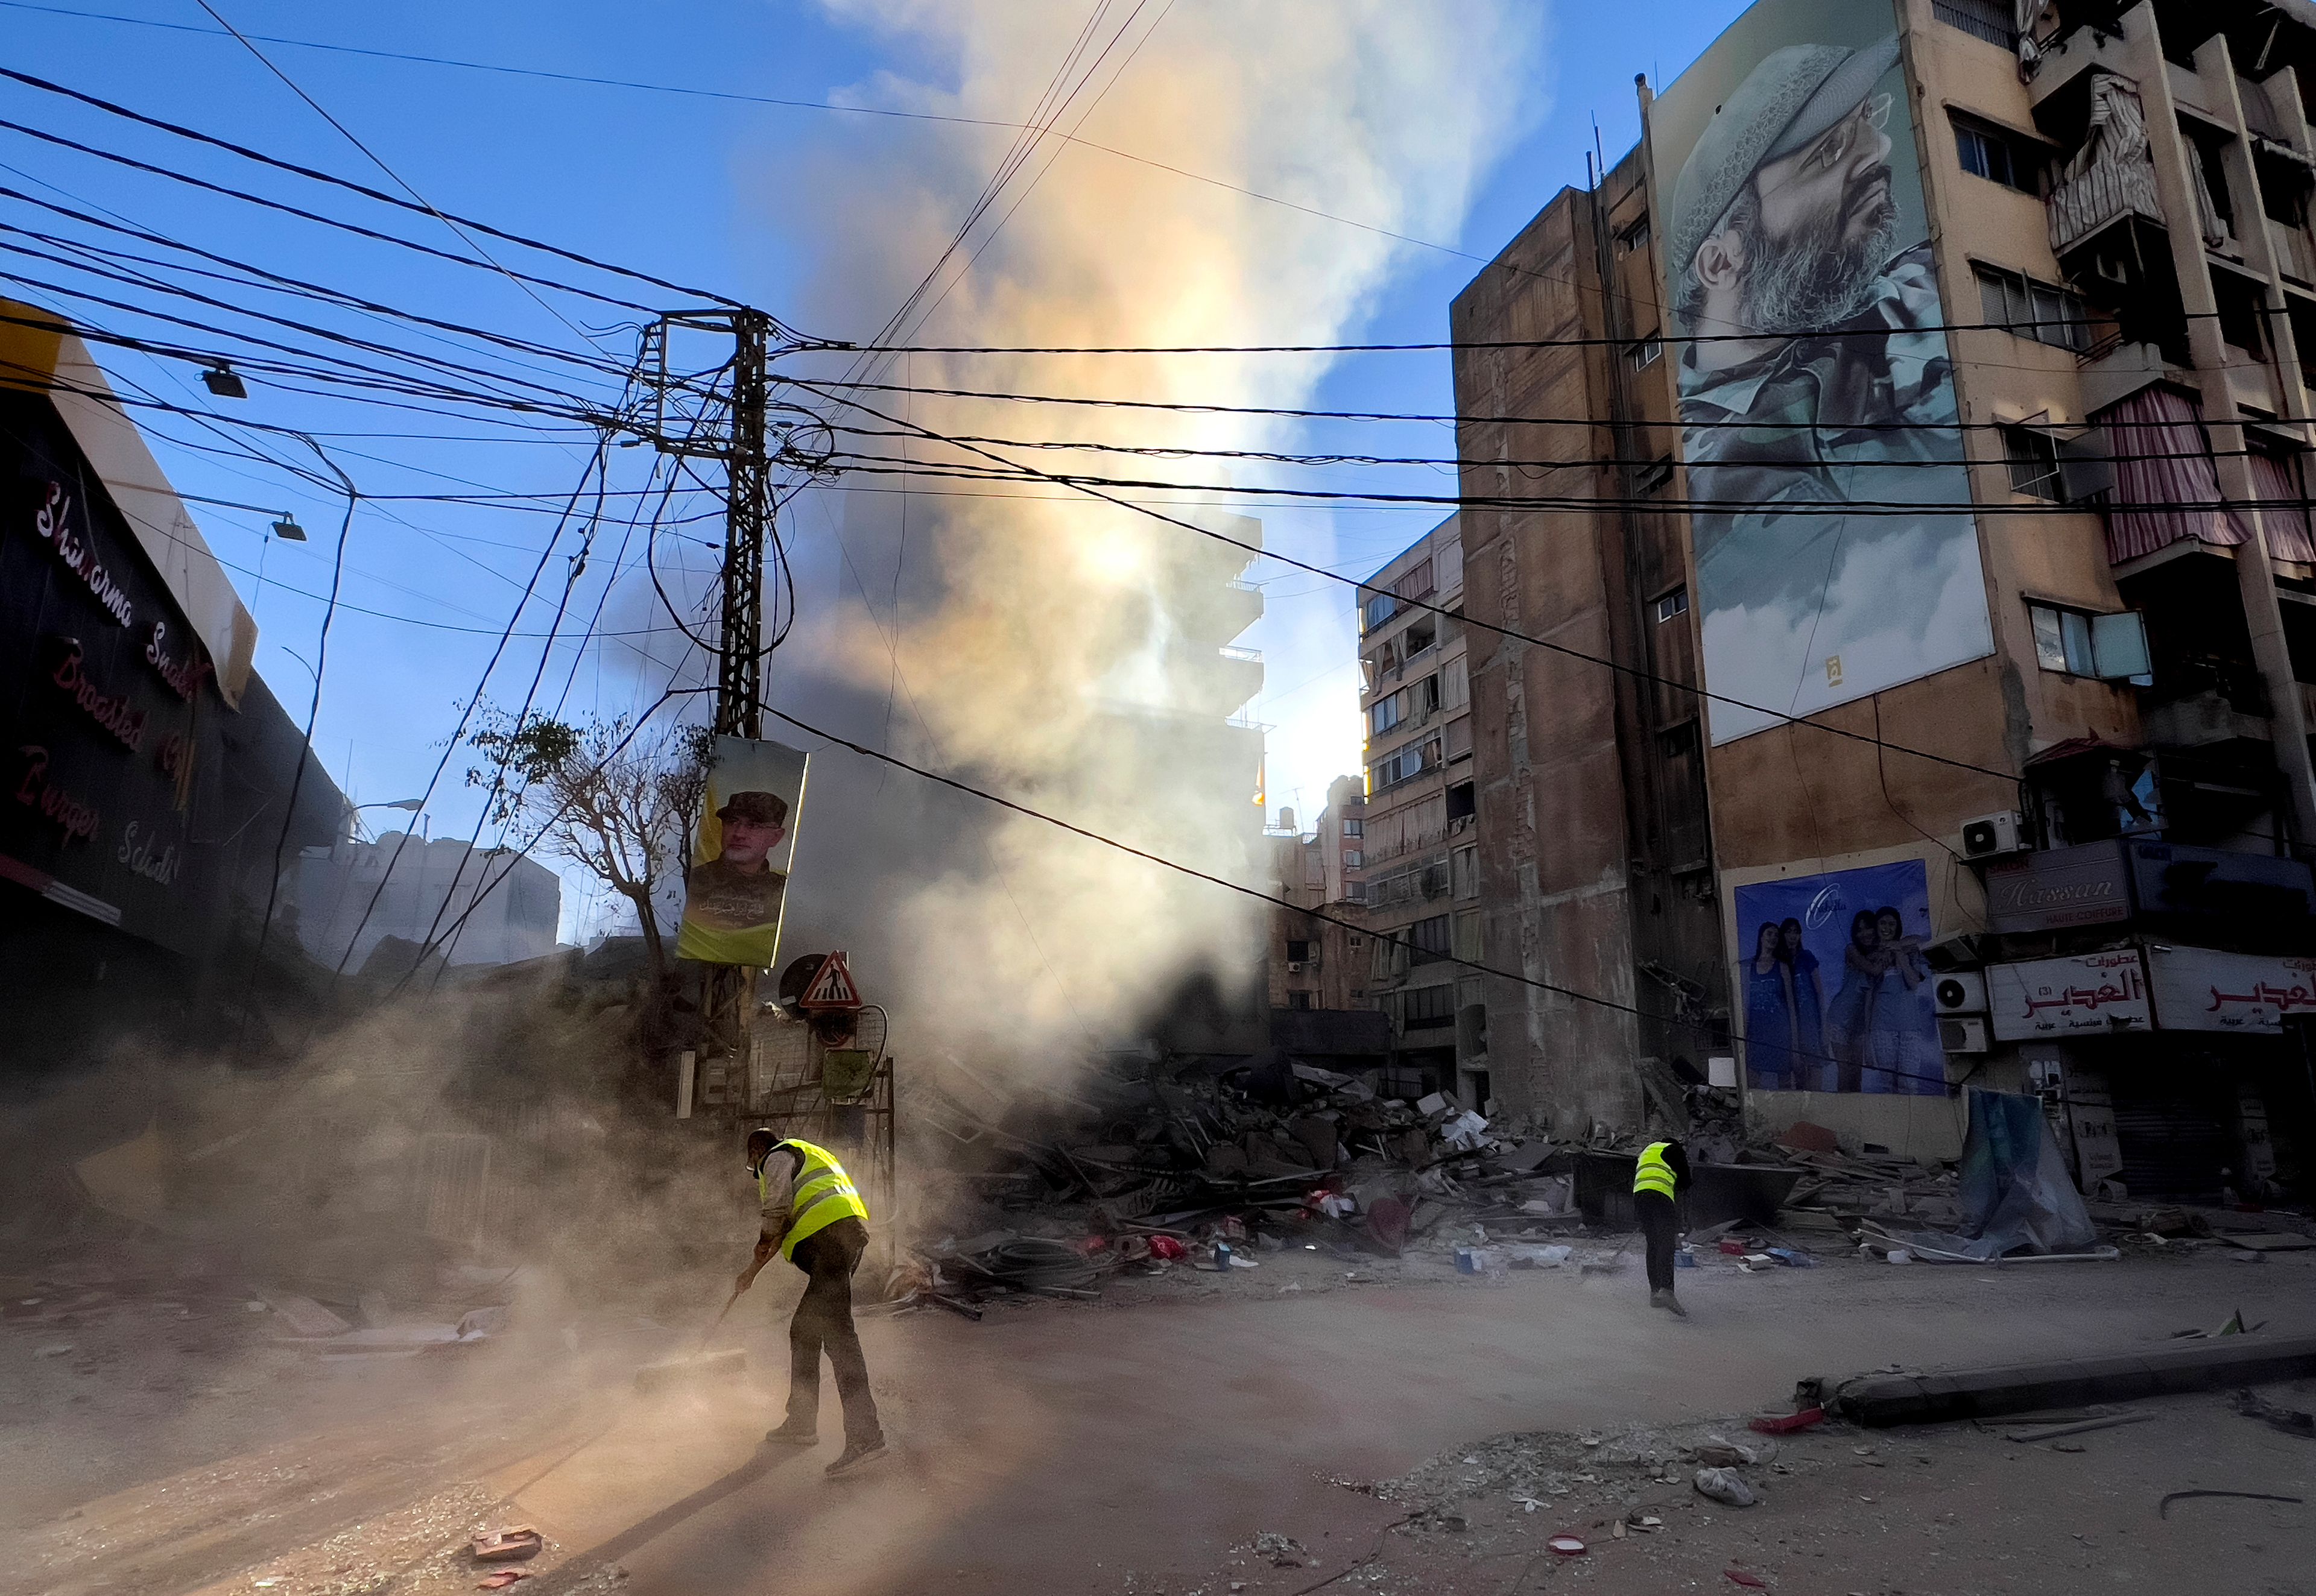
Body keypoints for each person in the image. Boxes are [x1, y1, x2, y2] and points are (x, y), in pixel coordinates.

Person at [1667, 34, 1989, 736]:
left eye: (1867, 121)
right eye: (1827, 153)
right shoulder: (1705, 487)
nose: (1877, 151)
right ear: (1724, 261)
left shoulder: (1925, 284)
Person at [738, 1128, 885, 1476]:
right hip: (842, 1244)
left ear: (758, 1149)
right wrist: (750, 1273)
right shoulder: (810, 1159)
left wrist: (762, 1239)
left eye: (753, 1161)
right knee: (804, 1331)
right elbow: (787, 1225)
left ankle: (866, 1436)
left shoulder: (776, 1157)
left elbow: (775, 1213)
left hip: (830, 1247)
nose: (756, 1168)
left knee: (840, 1339)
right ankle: (802, 1422)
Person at [677, 790, 789, 964]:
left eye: (754, 825)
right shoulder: (692, 882)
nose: (738, 833)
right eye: (732, 822)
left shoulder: (784, 893)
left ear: (775, 837)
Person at [1824, 909, 1887, 1093]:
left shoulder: (1882, 951)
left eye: (1868, 928)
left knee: (1857, 1074)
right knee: (1845, 1072)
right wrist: (1883, 955)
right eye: (1860, 930)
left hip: (1860, 1022)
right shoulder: (1851, 950)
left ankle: (1855, 1117)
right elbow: (1873, 970)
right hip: (1840, 1018)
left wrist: (1886, 950)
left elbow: (1913, 942)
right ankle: (1841, 1114)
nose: (1864, 933)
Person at [1632, 1137, 1692, 1316]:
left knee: (1653, 1243)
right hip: (1660, 1196)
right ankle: (1666, 1290)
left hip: (1640, 1197)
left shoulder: (1647, 1151)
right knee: (1667, 1242)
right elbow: (1686, 1182)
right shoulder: (1674, 1150)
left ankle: (1655, 1292)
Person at [1742, 921, 1796, 1090]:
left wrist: (1795, 1043)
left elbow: (1791, 1006)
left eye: (1776, 935)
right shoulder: (1748, 968)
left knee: (1785, 1082)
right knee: (1753, 1080)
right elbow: (1744, 1005)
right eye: (1769, 934)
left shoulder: (1782, 967)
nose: (1773, 938)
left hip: (1780, 1033)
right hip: (1757, 1033)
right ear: (1761, 937)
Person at [1779, 917, 1827, 1086]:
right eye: (1789, 932)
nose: (1793, 936)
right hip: (1789, 1025)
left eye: (1796, 932)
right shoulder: (1780, 962)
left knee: (1815, 1069)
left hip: (1810, 1022)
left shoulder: (1806, 957)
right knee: (1798, 1073)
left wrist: (1823, 1026)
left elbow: (1820, 993)